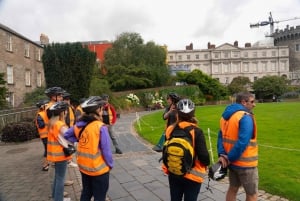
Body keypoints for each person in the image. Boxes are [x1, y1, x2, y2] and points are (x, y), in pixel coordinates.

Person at [64, 96, 113, 201]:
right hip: (98, 170)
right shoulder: (100, 127)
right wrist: (110, 164)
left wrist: (79, 139)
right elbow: (106, 150)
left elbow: (67, 134)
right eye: (101, 107)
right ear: (97, 109)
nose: (102, 109)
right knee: (100, 197)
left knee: (86, 193)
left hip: (84, 167)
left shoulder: (78, 125)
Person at [162, 99, 210, 201]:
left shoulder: (170, 129)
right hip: (192, 174)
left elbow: (166, 149)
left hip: (174, 170)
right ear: (193, 113)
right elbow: (204, 158)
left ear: (177, 113)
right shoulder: (196, 131)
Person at [217, 92, 258, 201]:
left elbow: (220, 137)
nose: (254, 105)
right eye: (252, 102)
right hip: (246, 164)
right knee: (252, 194)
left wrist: (223, 155)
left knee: (233, 189)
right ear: (244, 102)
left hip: (231, 163)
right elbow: (242, 143)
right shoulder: (245, 116)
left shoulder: (225, 116)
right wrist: (229, 158)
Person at [47, 101, 73, 201]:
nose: (66, 112)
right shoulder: (60, 125)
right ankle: (59, 199)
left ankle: (55, 197)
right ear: (62, 112)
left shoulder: (51, 123)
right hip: (61, 155)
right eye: (65, 111)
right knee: (60, 179)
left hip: (53, 155)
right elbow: (69, 137)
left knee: (57, 178)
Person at [35, 99, 50, 171]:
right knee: (47, 150)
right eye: (46, 105)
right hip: (44, 136)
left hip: (47, 135)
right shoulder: (40, 115)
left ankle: (47, 163)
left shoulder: (44, 113)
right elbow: (41, 125)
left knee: (48, 149)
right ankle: (45, 165)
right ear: (42, 106)